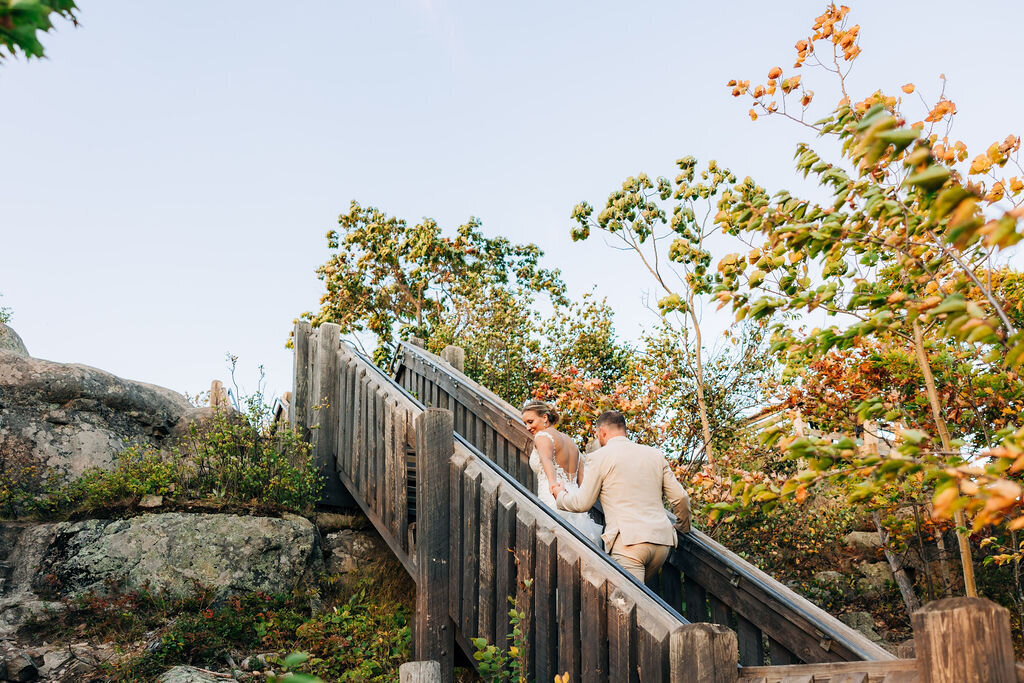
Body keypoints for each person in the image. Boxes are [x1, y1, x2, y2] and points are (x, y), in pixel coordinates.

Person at [552, 410, 690, 583]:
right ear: (625, 430)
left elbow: (582, 503)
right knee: (643, 602)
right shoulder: (654, 454)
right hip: (661, 542)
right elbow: (680, 497)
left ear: (601, 432)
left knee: (632, 606)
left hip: (628, 543)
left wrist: (560, 496)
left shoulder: (598, 457)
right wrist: (683, 527)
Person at [521, 400, 604, 545]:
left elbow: (547, 462)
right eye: (525, 424)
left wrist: (554, 488)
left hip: (553, 499)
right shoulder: (571, 442)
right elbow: (581, 479)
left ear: (545, 418)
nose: (528, 427)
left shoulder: (542, 437)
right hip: (575, 505)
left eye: (530, 421)